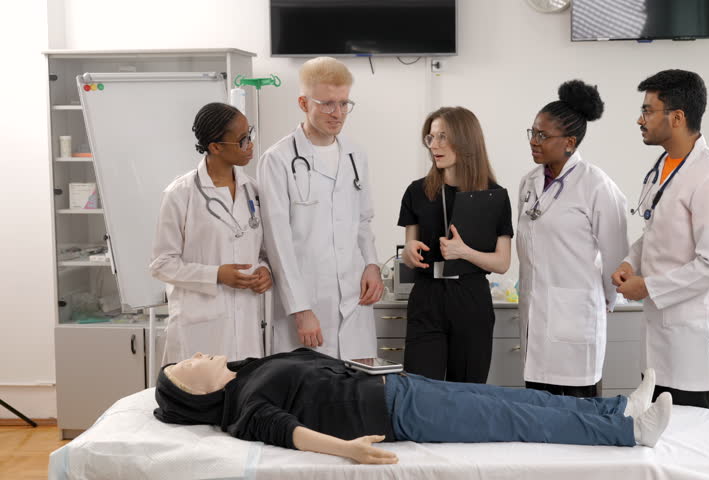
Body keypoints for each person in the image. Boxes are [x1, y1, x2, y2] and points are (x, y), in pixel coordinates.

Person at [154, 349, 673, 465]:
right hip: (397, 416)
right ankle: (632, 436)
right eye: (184, 366)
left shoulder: (245, 369)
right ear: (194, 394)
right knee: (514, 421)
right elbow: (286, 431)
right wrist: (348, 451)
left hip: (398, 386)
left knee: (513, 397)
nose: (194, 356)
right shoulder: (244, 407)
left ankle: (616, 412)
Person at [611, 69, 709, 409]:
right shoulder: (663, 166)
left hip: (692, 338)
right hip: (660, 331)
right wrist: (629, 261)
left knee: (686, 435)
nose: (639, 120)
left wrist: (647, 287)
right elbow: (654, 231)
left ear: (678, 117)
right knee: (654, 428)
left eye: (648, 111)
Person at [257, 57, 382, 360]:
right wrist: (300, 310)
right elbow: (277, 242)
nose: (337, 113)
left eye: (343, 104)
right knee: (306, 396)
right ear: (303, 102)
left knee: (357, 395)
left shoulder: (355, 155)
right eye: (327, 104)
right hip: (307, 305)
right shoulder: (278, 159)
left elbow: (363, 221)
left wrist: (372, 265)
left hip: (355, 303)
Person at [517, 80, 629, 397]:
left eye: (543, 135)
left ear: (569, 141)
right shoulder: (529, 183)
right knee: (537, 409)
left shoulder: (597, 185)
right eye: (532, 133)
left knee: (576, 415)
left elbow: (615, 256)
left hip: (576, 317)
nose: (534, 142)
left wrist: (604, 301)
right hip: (534, 318)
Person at [397, 106, 514, 383]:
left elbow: (502, 263)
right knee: (420, 390)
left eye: (442, 137)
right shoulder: (417, 191)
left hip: (470, 299)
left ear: (465, 140)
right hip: (427, 297)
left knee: (467, 395)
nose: (434, 145)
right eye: (431, 137)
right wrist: (409, 254)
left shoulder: (493, 196)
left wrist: (464, 252)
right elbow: (409, 251)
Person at [150, 102, 271, 363]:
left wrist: (265, 271)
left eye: (249, 135)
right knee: (201, 396)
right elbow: (162, 265)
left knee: (243, 394)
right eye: (242, 140)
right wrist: (216, 275)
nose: (250, 145)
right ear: (215, 147)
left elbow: (261, 251)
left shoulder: (253, 190)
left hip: (246, 322)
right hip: (200, 326)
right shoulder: (181, 193)